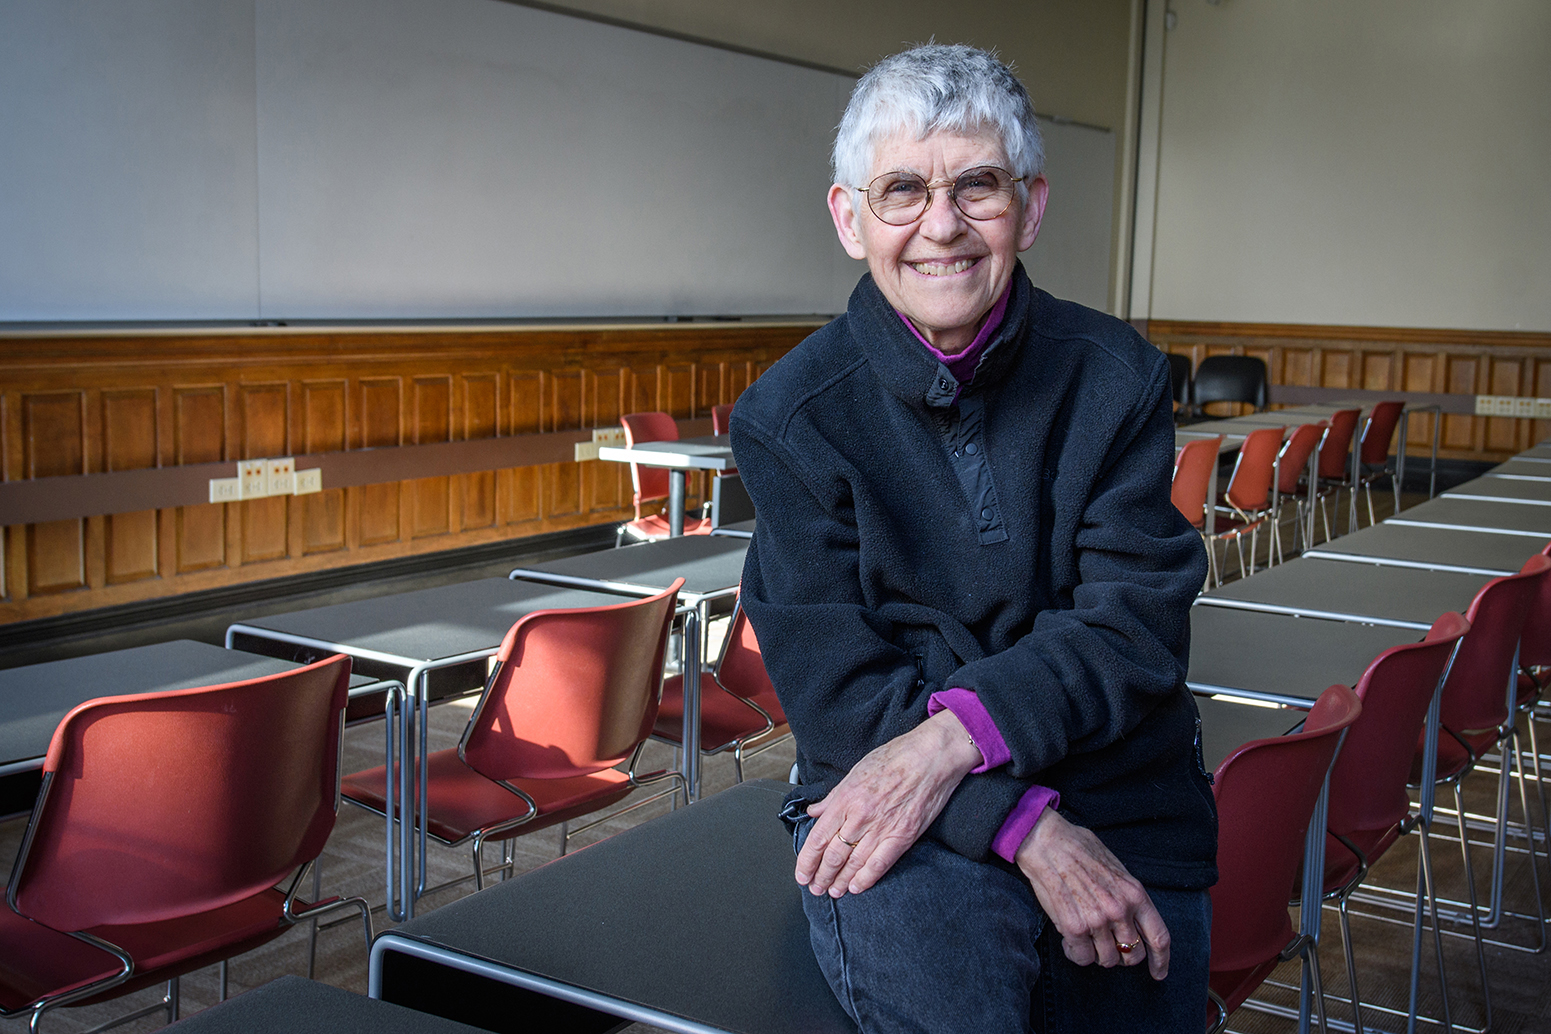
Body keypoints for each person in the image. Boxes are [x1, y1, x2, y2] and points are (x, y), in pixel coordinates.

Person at [728, 44, 1216, 1033]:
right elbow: (838, 692)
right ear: (849, 218)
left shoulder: (1117, 375)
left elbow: (1132, 628)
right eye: (902, 190)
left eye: (977, 186)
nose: (941, 224)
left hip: (1116, 783)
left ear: (1029, 208)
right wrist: (1022, 822)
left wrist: (954, 738)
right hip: (888, 791)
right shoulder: (788, 417)